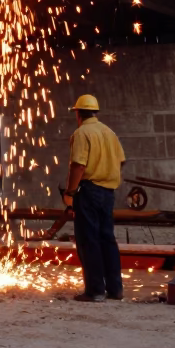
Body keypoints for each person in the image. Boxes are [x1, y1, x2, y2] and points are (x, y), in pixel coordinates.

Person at [62, 94, 126, 302]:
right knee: (107, 239)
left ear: (78, 113)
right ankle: (115, 289)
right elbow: (121, 161)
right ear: (95, 111)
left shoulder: (82, 133)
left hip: (88, 191)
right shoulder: (110, 132)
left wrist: (70, 192)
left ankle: (95, 290)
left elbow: (79, 165)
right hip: (108, 192)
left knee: (88, 240)